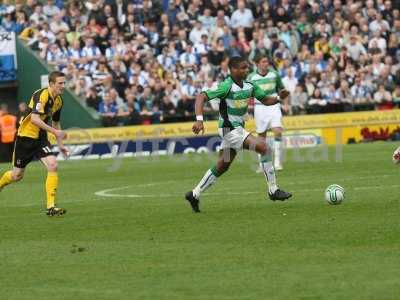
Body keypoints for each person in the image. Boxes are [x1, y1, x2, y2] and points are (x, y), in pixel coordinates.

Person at [185, 56, 292, 213]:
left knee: (223, 165)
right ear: (233, 69)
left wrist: (278, 98)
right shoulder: (226, 86)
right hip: (230, 130)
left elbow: (266, 100)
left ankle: (194, 194)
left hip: (236, 130)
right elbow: (201, 96)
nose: (246, 70)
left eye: (246, 67)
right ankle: (273, 190)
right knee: (264, 148)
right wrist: (199, 120)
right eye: (243, 68)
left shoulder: (249, 86)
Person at [0, 71, 69, 216]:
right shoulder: (41, 95)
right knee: (16, 175)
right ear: (51, 84)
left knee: (53, 164)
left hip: (40, 139)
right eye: (60, 83)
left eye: (64, 83)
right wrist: (55, 133)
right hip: (25, 138)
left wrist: (61, 144)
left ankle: (51, 207)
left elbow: (56, 123)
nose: (63, 86)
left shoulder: (59, 101)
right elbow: (35, 119)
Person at [248, 54, 289, 171]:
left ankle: (277, 163)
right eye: (263, 61)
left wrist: (285, 104)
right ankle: (263, 164)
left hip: (274, 105)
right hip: (259, 107)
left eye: (267, 61)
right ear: (257, 64)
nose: (266, 64)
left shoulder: (274, 74)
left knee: (277, 131)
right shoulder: (251, 77)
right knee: (261, 136)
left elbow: (283, 90)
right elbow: (246, 94)